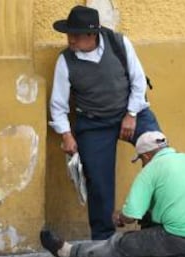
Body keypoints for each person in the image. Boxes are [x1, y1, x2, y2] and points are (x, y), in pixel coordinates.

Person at [40, 131, 185, 257]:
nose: (142, 164)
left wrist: (119, 217)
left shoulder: (151, 169)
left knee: (120, 243)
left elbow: (131, 214)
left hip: (179, 241)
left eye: (141, 161)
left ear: (146, 157)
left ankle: (68, 252)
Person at [49, 5, 161, 240]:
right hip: (94, 122)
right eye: (68, 34)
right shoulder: (65, 61)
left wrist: (130, 115)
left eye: (76, 35)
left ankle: (157, 227)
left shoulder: (119, 44)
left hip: (133, 111)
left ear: (92, 35)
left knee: (160, 158)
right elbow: (58, 105)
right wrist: (66, 135)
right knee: (98, 182)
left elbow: (138, 81)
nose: (70, 39)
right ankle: (103, 240)